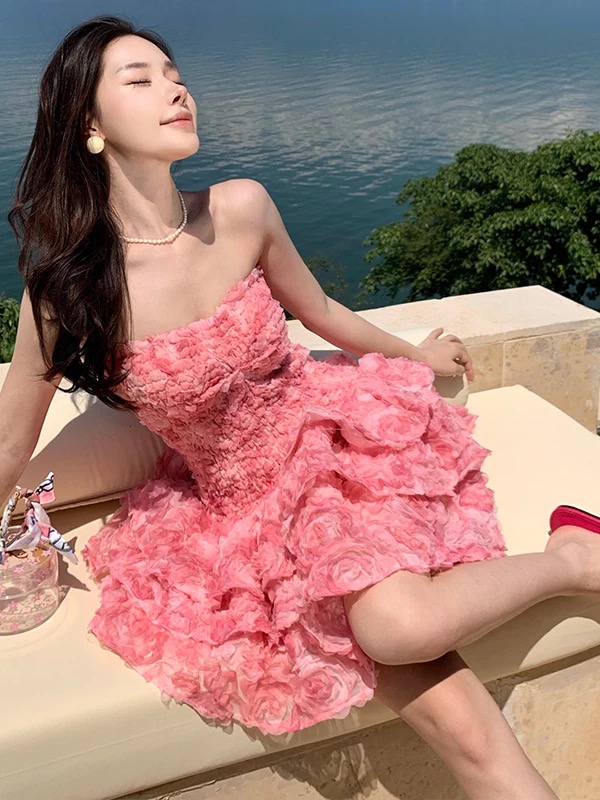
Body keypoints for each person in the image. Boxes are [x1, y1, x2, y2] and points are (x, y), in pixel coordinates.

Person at [2, 14, 599, 799]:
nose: (176, 90)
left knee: (396, 626)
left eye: (174, 73)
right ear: (89, 125)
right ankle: (574, 556)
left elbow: (321, 313)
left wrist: (416, 355)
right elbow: (10, 445)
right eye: (140, 79)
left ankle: (570, 558)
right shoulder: (69, 288)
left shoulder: (241, 207)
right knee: (466, 735)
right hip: (239, 515)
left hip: (331, 449)